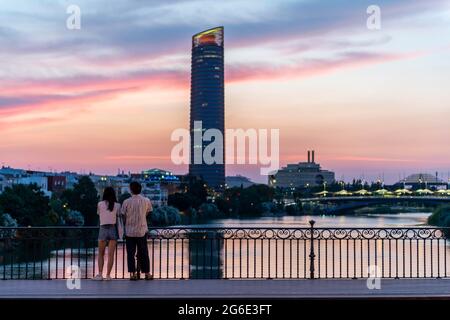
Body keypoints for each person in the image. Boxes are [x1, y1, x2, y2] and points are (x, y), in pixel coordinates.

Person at [121, 181, 153, 280]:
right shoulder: (146, 200)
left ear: (131, 190)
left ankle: (133, 274)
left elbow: (123, 214)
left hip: (129, 231)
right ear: (140, 189)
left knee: (130, 254)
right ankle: (147, 273)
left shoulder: (126, 202)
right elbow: (149, 212)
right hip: (142, 230)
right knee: (144, 253)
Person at [94, 187, 120, 281]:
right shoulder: (117, 205)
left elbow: (98, 214)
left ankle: (100, 274)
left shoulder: (100, 204)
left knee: (101, 254)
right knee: (111, 255)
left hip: (103, 229)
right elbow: (118, 216)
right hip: (113, 229)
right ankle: (108, 275)